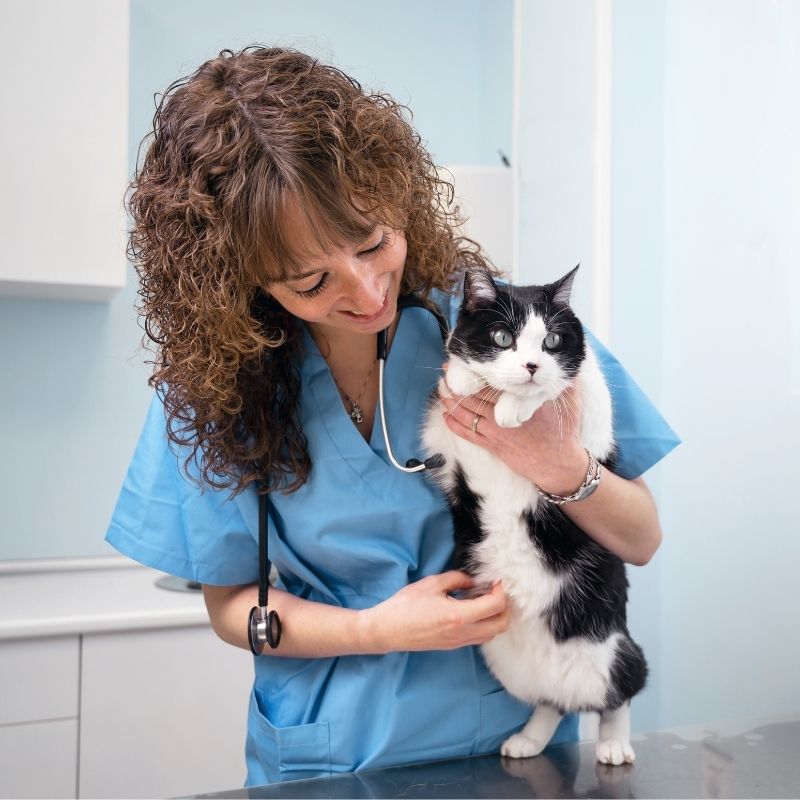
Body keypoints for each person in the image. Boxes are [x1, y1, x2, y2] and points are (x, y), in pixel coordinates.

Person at [106, 45, 679, 786]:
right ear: (239, 283)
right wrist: (376, 629)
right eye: (311, 280)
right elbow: (232, 608)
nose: (367, 290)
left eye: (375, 241)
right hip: (333, 758)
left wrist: (560, 465)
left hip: (518, 747)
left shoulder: (502, 331)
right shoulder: (216, 389)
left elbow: (642, 537)